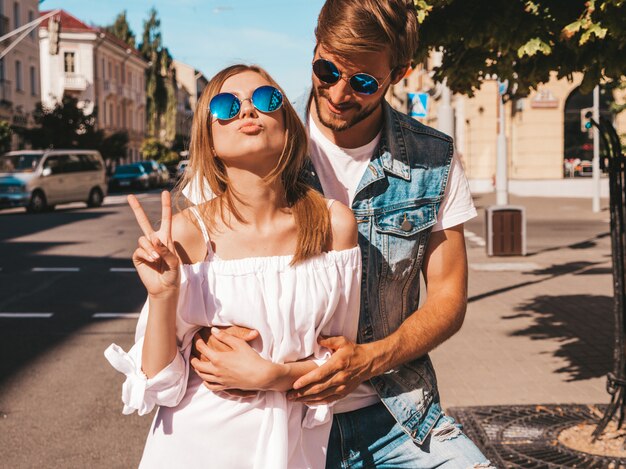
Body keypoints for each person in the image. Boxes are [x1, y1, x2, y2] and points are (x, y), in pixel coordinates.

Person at [191, 1, 495, 467]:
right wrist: (206, 347)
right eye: (326, 69)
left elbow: (448, 298)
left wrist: (370, 359)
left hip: (397, 418)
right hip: (275, 421)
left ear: (399, 73)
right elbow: (188, 300)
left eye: (363, 82)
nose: (337, 93)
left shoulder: (432, 159)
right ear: (314, 48)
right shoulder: (253, 141)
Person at [104, 64, 362, 469]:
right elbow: (160, 383)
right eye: (226, 105)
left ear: (288, 125)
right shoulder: (188, 233)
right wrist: (163, 294)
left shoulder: (334, 225)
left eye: (264, 99)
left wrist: (271, 377)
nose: (246, 111)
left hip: (293, 451)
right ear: (207, 137)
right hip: (193, 448)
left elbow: (338, 368)